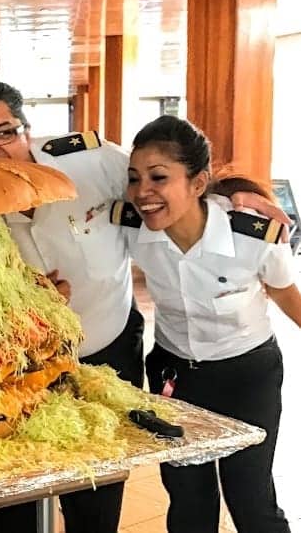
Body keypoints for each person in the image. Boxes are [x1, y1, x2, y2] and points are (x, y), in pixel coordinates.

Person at [0, 77, 142, 533]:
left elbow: (167, 176)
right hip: (18, 370)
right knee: (11, 499)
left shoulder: (92, 163)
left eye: (3, 133)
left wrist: (234, 191)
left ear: (27, 132)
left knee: (94, 502)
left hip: (107, 354)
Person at [117, 115, 300, 533]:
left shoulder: (253, 237)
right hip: (174, 376)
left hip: (246, 376)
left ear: (198, 183)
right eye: (134, 178)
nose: (143, 192)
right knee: (188, 499)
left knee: (251, 498)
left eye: (159, 177)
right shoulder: (131, 229)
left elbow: (287, 294)